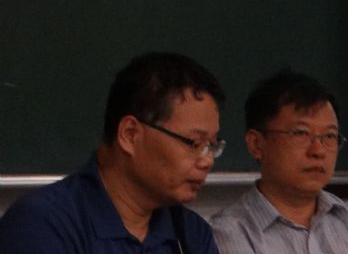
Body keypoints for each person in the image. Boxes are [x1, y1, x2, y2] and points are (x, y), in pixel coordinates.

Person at [0, 51, 226, 253]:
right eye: (195, 143)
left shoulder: (190, 233)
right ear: (130, 135)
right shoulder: (44, 224)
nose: (207, 161)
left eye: (212, 146)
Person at [211, 69, 348, 254]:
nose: (318, 151)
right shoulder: (227, 232)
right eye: (301, 133)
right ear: (256, 144)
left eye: (329, 136)